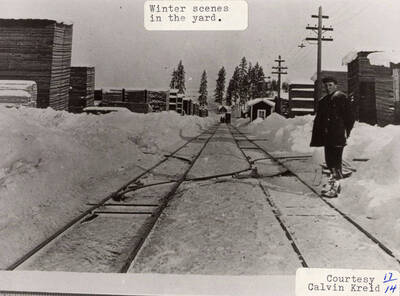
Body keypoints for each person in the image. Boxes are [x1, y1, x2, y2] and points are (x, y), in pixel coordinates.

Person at [310, 77, 355, 198]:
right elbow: (319, 119)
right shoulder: (323, 101)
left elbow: (350, 117)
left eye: (330, 85)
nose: (328, 88)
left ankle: (336, 187)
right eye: (326, 86)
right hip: (327, 137)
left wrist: (346, 132)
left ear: (336, 86)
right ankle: (333, 185)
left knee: (336, 162)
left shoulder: (342, 98)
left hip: (337, 135)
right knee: (330, 162)